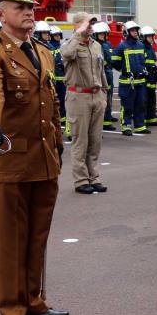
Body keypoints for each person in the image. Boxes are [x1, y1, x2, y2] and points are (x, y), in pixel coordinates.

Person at [0, 0, 68, 315]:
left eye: (31, 7)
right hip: (9, 160)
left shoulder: (42, 51)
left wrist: (57, 143)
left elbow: (50, 102)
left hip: (44, 159)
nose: (29, 12)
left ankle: (34, 300)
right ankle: (12, 307)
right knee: (13, 238)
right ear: (0, 14)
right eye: (20, 7)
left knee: (38, 235)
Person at [61, 12, 109, 194]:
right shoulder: (69, 44)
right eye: (87, 24)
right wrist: (78, 33)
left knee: (95, 141)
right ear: (77, 25)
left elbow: (101, 71)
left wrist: (104, 93)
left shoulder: (96, 45)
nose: (90, 27)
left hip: (96, 96)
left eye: (92, 24)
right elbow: (67, 54)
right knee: (80, 140)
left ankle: (94, 177)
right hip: (78, 96)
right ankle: (81, 180)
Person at [112, 21, 149, 136]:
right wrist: (124, 70)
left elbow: (144, 60)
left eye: (136, 30)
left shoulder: (141, 45)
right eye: (132, 30)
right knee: (127, 105)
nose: (135, 32)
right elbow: (114, 61)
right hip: (127, 81)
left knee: (140, 104)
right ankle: (126, 126)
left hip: (140, 81)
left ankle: (140, 126)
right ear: (127, 32)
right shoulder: (122, 46)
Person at [91, 22, 117, 131]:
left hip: (108, 73)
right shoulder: (94, 45)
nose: (102, 36)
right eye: (100, 34)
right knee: (102, 99)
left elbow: (111, 58)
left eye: (103, 34)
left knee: (109, 97)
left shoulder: (108, 44)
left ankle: (107, 119)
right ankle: (104, 121)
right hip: (101, 74)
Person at [47, 24, 68, 136]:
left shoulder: (62, 46)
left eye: (59, 35)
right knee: (55, 100)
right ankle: (57, 118)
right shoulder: (49, 47)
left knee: (63, 100)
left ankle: (63, 118)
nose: (58, 37)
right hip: (55, 78)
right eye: (55, 35)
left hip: (63, 78)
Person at [140, 26, 157, 127]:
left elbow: (153, 61)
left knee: (152, 98)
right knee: (144, 99)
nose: (152, 39)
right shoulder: (141, 47)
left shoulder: (150, 47)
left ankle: (151, 119)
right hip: (145, 76)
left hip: (152, 75)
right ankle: (143, 119)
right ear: (144, 37)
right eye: (149, 37)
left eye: (152, 37)